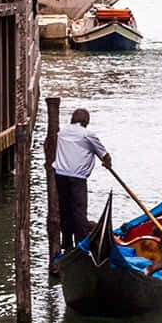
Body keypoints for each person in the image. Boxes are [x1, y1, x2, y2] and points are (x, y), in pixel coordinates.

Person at [51, 107, 111, 257]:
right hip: (77, 178)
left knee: (65, 210)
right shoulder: (87, 135)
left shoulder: (62, 132)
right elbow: (105, 155)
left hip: (60, 175)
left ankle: (67, 244)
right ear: (86, 121)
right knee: (79, 211)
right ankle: (82, 245)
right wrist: (107, 163)